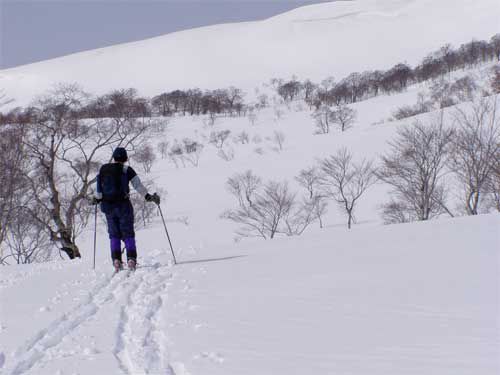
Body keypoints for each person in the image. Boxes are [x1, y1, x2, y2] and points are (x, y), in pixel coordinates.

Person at [92, 147, 160, 272]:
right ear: (125, 158)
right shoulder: (127, 170)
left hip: (108, 207)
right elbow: (138, 186)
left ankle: (116, 260)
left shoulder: (103, 169)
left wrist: (97, 199)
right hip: (123, 206)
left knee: (114, 234)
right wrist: (148, 197)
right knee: (128, 232)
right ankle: (131, 259)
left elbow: (98, 190)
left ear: (113, 157)